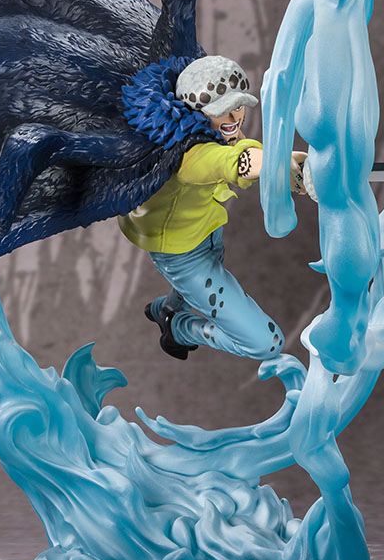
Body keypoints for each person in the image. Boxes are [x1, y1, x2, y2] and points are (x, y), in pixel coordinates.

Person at [118, 55, 307, 360]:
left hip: (205, 231)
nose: (234, 118)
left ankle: (166, 308)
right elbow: (230, 161)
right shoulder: (190, 155)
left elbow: (237, 148)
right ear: (195, 112)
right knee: (265, 343)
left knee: (195, 282)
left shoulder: (211, 129)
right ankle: (177, 328)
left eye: (238, 106)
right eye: (221, 111)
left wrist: (282, 168)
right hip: (182, 255)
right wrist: (277, 162)